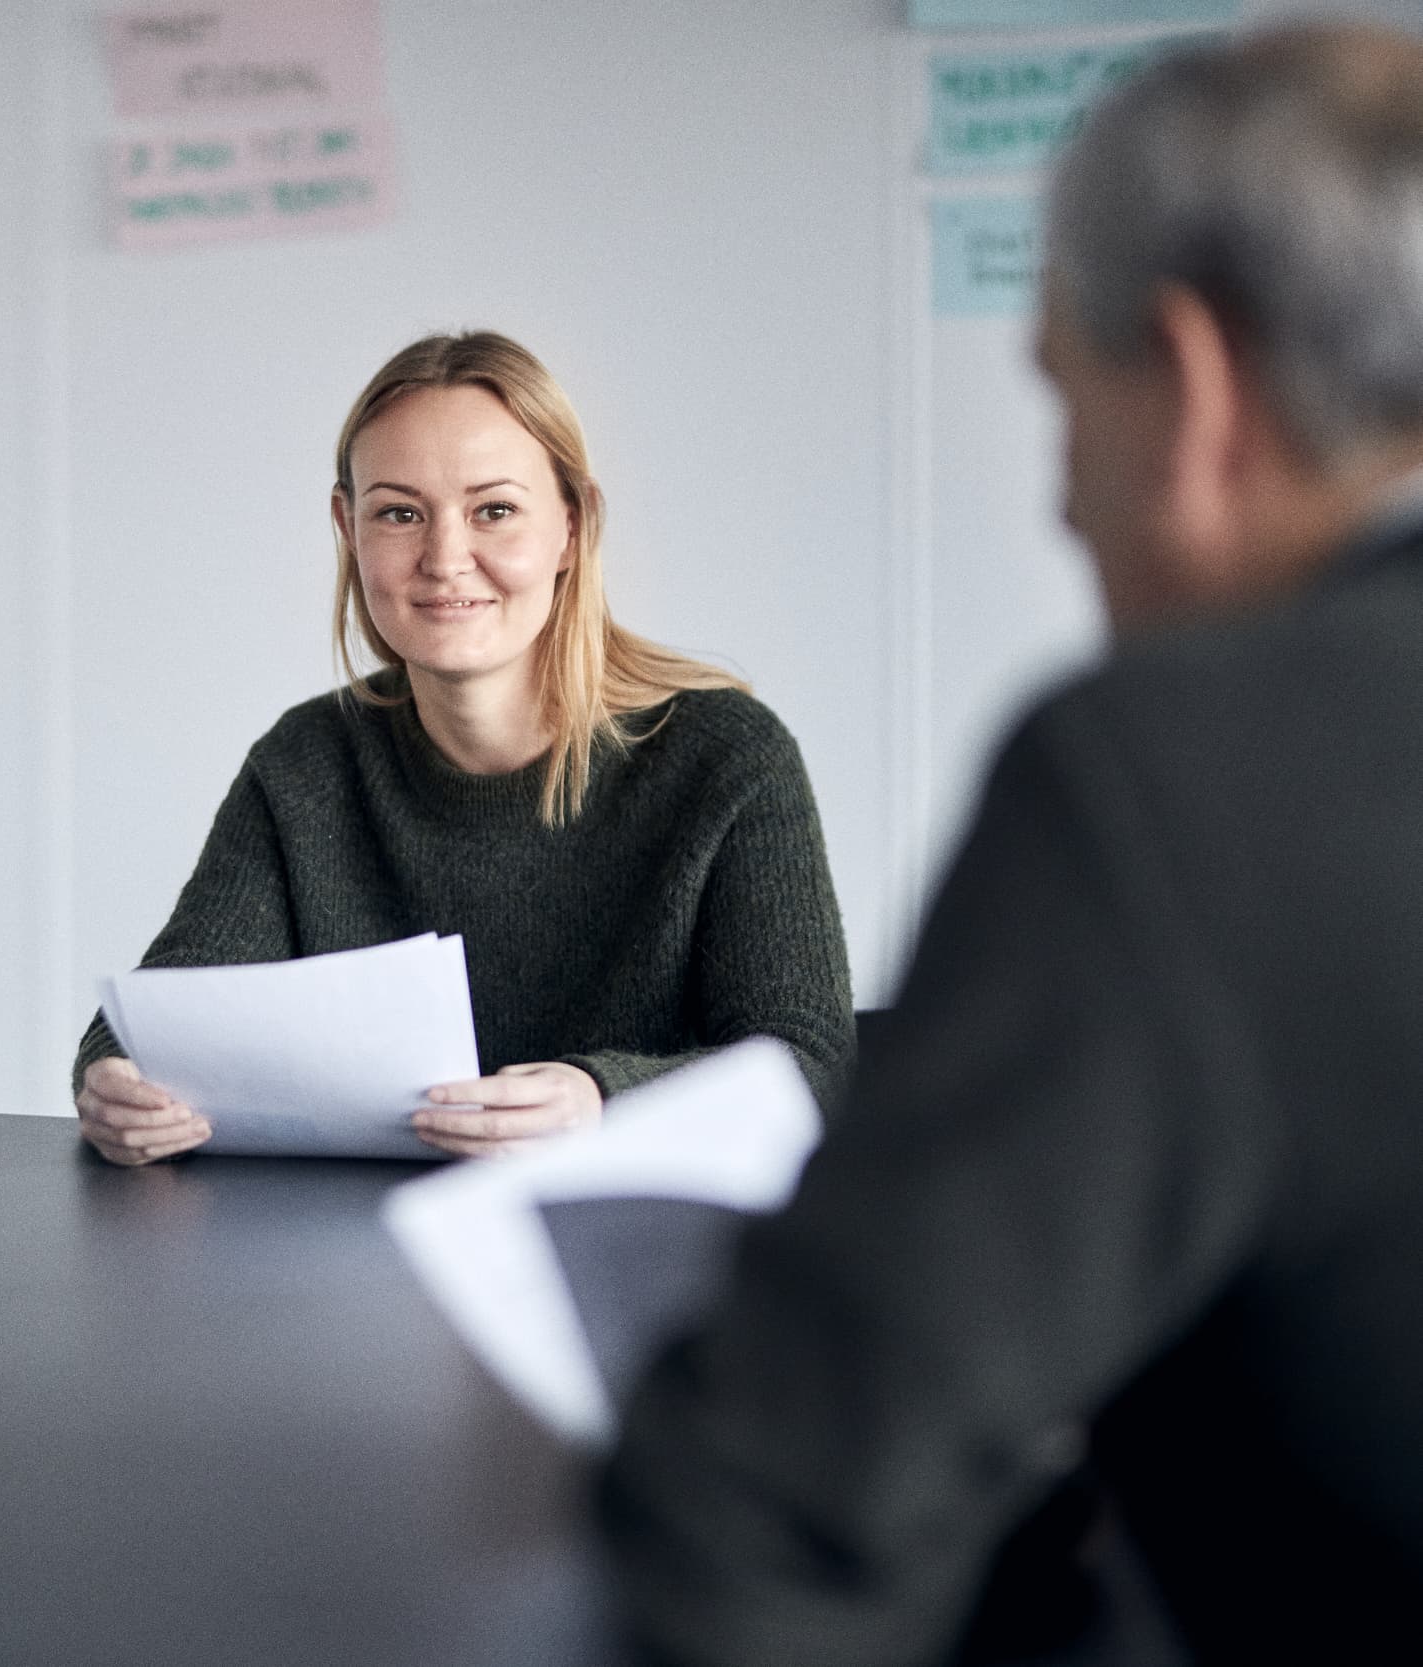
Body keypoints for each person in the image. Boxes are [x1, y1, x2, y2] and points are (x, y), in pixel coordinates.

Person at [601, 25, 1423, 1666]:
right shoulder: (314, 749)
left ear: (1191, 387)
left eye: (1062, 396)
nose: (1061, 504)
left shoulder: (1173, 774)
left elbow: (769, 1516)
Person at [74, 332, 854, 1164]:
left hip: (648, 1256)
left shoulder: (725, 757)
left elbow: (809, 1069)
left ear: (572, 525)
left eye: (495, 510)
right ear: (348, 527)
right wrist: (115, 1078)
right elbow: (168, 1012)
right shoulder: (307, 762)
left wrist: (599, 1098)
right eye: (400, 513)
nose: (445, 560)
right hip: (357, 1263)